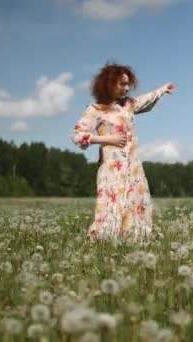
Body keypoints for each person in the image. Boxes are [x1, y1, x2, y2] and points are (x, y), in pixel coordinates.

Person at [71, 62, 175, 241]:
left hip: (133, 168)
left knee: (135, 203)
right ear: (109, 84)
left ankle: (133, 240)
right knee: (111, 204)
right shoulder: (95, 110)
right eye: (122, 84)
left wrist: (162, 90)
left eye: (128, 84)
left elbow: (146, 100)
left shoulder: (128, 105)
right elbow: (78, 135)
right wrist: (107, 139)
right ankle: (103, 241)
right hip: (112, 168)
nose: (126, 88)